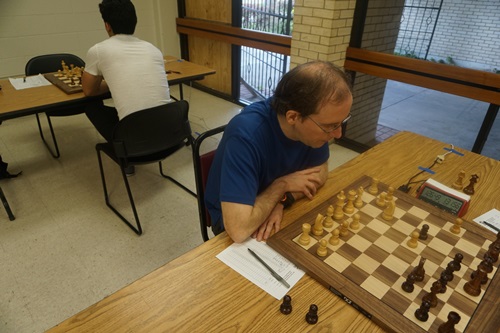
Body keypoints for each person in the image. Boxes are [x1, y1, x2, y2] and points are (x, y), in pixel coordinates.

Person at [205, 61, 353, 243]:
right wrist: (281, 186)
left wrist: (282, 200)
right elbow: (238, 230)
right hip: (230, 225)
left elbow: (320, 173)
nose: (338, 134)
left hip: (269, 211)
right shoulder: (246, 135)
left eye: (341, 122)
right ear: (293, 117)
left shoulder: (313, 127)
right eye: (331, 126)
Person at [82, 0, 170, 147]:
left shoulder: (98, 50)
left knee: (90, 105)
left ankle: (124, 155)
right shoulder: (153, 49)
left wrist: (111, 81)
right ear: (134, 22)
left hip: (134, 144)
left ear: (107, 25)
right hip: (169, 136)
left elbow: (89, 90)